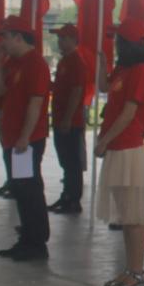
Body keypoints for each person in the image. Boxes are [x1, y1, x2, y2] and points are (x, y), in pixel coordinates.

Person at [97, 18, 144, 286]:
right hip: (117, 149)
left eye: (118, 40)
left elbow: (129, 113)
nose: (115, 45)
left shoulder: (141, 71)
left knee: (135, 217)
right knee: (125, 215)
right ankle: (130, 269)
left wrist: (104, 139)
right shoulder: (123, 69)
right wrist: (102, 63)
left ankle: (138, 272)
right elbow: (104, 88)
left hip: (130, 149)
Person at [0, 16, 51, 261]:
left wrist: (25, 136)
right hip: (13, 138)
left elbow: (35, 103)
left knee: (28, 189)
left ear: (18, 37)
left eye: (5, 37)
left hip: (26, 140)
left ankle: (36, 242)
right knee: (19, 188)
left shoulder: (36, 64)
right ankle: (27, 237)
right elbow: (0, 91)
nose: (2, 42)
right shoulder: (12, 63)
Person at [48, 24, 89, 215]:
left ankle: (73, 199)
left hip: (70, 122)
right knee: (66, 161)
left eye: (64, 38)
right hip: (60, 118)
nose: (60, 42)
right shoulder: (64, 61)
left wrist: (68, 118)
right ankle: (67, 195)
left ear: (73, 40)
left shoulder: (76, 62)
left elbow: (76, 91)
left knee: (72, 163)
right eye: (60, 38)